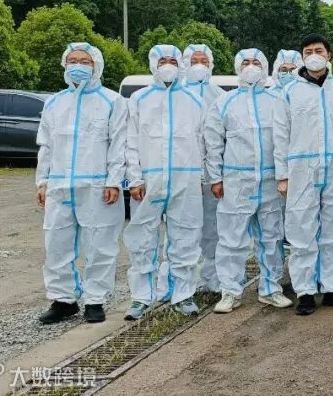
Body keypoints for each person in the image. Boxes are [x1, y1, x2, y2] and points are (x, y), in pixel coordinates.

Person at [36, 43, 128, 325]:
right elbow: (46, 146)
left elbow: (119, 145)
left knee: (99, 243)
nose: (78, 65)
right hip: (60, 185)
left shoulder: (112, 101)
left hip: (97, 185)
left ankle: (94, 300)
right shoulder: (54, 103)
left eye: (84, 61)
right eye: (72, 60)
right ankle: (63, 300)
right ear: (65, 65)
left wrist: (114, 181)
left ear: (96, 66)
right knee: (57, 243)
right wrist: (42, 181)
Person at [123, 45, 207, 319]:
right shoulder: (139, 99)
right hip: (150, 181)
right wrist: (134, 178)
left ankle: (183, 294)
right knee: (142, 238)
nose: (168, 65)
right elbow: (131, 142)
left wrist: (201, 175)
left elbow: (203, 141)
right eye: (162, 61)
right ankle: (141, 297)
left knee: (186, 237)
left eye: (173, 60)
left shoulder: (194, 100)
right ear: (153, 64)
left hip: (186, 179)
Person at [205, 49, 292, 313]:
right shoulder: (225, 102)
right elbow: (213, 142)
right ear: (237, 67)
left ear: (265, 67)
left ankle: (271, 288)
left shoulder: (277, 100)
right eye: (246, 62)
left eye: (256, 62)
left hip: (270, 180)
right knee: (231, 238)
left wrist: (285, 175)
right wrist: (215, 177)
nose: (251, 67)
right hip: (236, 181)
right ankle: (230, 292)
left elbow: (285, 140)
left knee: (271, 237)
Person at [273, 35, 333, 315]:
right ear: (302, 57)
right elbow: (280, 135)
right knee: (301, 231)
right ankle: (305, 291)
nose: (314, 55)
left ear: (329, 55)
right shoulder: (289, 92)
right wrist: (282, 175)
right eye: (308, 52)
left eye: (319, 50)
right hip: (300, 171)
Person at [180, 43, 227, 296]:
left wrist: (216, 173)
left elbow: (221, 137)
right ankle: (178, 283)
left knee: (213, 227)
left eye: (204, 61)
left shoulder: (220, 95)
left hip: (211, 173)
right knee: (180, 228)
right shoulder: (176, 94)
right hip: (182, 172)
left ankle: (213, 278)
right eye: (194, 60)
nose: (199, 65)